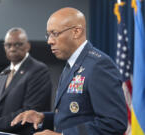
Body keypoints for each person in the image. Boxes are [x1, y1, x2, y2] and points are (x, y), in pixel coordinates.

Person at [11, 7, 128, 135]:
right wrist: (43, 117)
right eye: (48, 35)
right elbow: (75, 115)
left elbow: (114, 123)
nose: (49, 41)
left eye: (54, 33)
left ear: (76, 32)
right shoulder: (71, 65)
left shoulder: (98, 65)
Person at [0, 27, 52, 135]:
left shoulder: (38, 70)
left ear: (28, 46)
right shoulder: (3, 73)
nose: (12, 48)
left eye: (18, 44)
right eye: (8, 45)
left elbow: (29, 111)